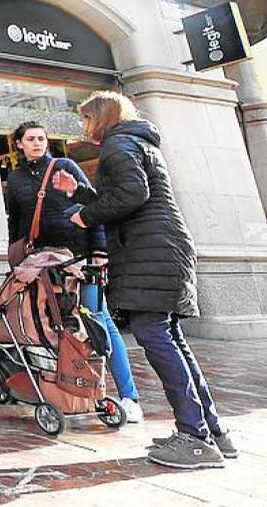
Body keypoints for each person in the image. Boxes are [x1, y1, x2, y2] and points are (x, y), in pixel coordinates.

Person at [53, 91, 236, 469]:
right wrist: (84, 195)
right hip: (163, 246)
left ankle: (195, 437)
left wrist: (84, 216)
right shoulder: (135, 142)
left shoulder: (118, 144)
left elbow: (134, 194)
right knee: (170, 338)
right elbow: (128, 192)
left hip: (151, 250)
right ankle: (211, 431)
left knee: (155, 335)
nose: (83, 127)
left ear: (101, 117)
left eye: (86, 119)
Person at [5, 121, 142, 422]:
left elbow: (92, 206)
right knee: (54, 328)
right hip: (43, 262)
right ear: (19, 144)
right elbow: (16, 221)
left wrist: (99, 252)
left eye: (41, 138)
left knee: (98, 320)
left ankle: (129, 396)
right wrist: (16, 258)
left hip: (80, 258)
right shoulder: (14, 179)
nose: (37, 143)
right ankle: (71, 388)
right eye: (30, 139)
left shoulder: (64, 165)